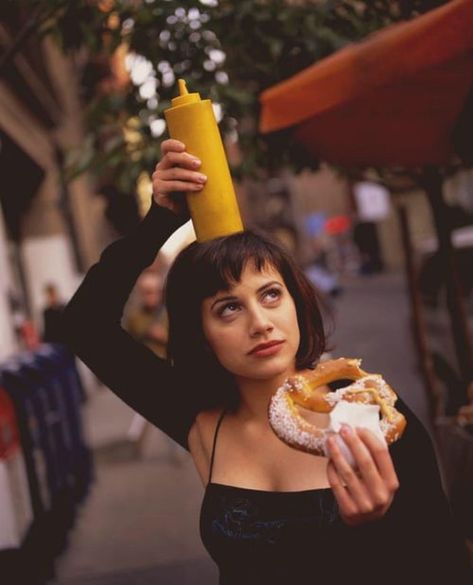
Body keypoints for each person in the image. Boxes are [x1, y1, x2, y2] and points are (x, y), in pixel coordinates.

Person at [62, 139, 471, 584]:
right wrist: (158, 223)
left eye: (270, 294)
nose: (260, 323)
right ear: (201, 335)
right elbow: (85, 326)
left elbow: (443, 562)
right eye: (228, 308)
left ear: (296, 302)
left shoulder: (369, 414)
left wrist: (378, 527)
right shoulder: (200, 418)